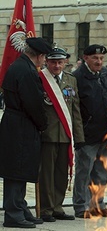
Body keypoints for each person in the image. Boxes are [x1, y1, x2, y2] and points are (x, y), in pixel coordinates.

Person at [0, 37, 52, 228]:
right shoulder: (25, 70)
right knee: (16, 168)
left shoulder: (21, 66)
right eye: (44, 56)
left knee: (21, 168)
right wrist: (42, 123)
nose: (44, 60)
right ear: (38, 56)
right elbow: (32, 103)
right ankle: (13, 213)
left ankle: (20, 207)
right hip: (20, 124)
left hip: (18, 123)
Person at [38, 46, 85, 222]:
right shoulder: (41, 78)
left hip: (66, 134)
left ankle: (58, 206)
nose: (57, 66)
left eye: (60, 62)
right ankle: (46, 208)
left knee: (61, 174)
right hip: (47, 135)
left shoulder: (70, 80)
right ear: (46, 62)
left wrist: (78, 136)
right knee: (46, 174)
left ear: (65, 62)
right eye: (53, 62)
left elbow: (75, 110)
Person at [72, 44, 107, 218]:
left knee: (101, 171)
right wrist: (79, 134)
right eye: (95, 58)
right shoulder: (77, 77)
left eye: (101, 58)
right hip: (87, 132)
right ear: (86, 58)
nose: (99, 62)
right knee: (84, 171)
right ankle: (81, 205)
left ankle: (98, 203)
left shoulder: (105, 74)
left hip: (105, 131)